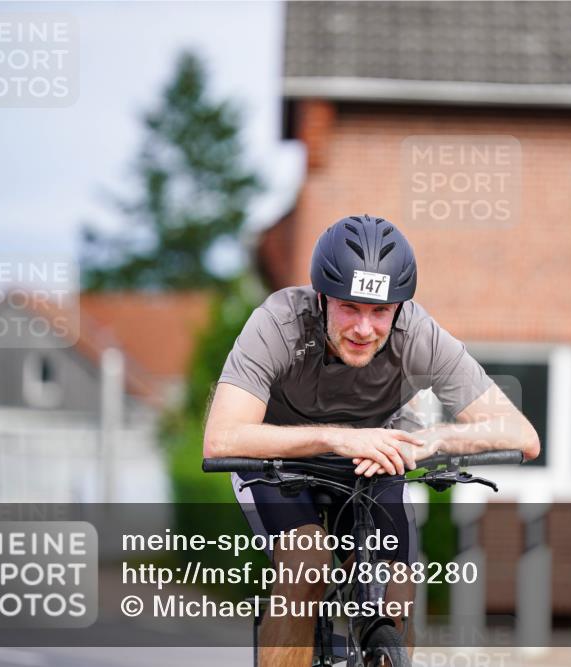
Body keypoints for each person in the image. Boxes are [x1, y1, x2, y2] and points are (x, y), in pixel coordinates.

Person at [203, 214, 540, 667]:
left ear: (398, 308)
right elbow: (223, 437)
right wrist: (338, 438)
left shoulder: (418, 335)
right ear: (322, 298)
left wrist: (431, 439)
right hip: (278, 460)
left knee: (397, 590)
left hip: (371, 460)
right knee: (307, 563)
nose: (365, 329)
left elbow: (521, 434)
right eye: (349, 308)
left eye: (380, 311)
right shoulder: (278, 324)